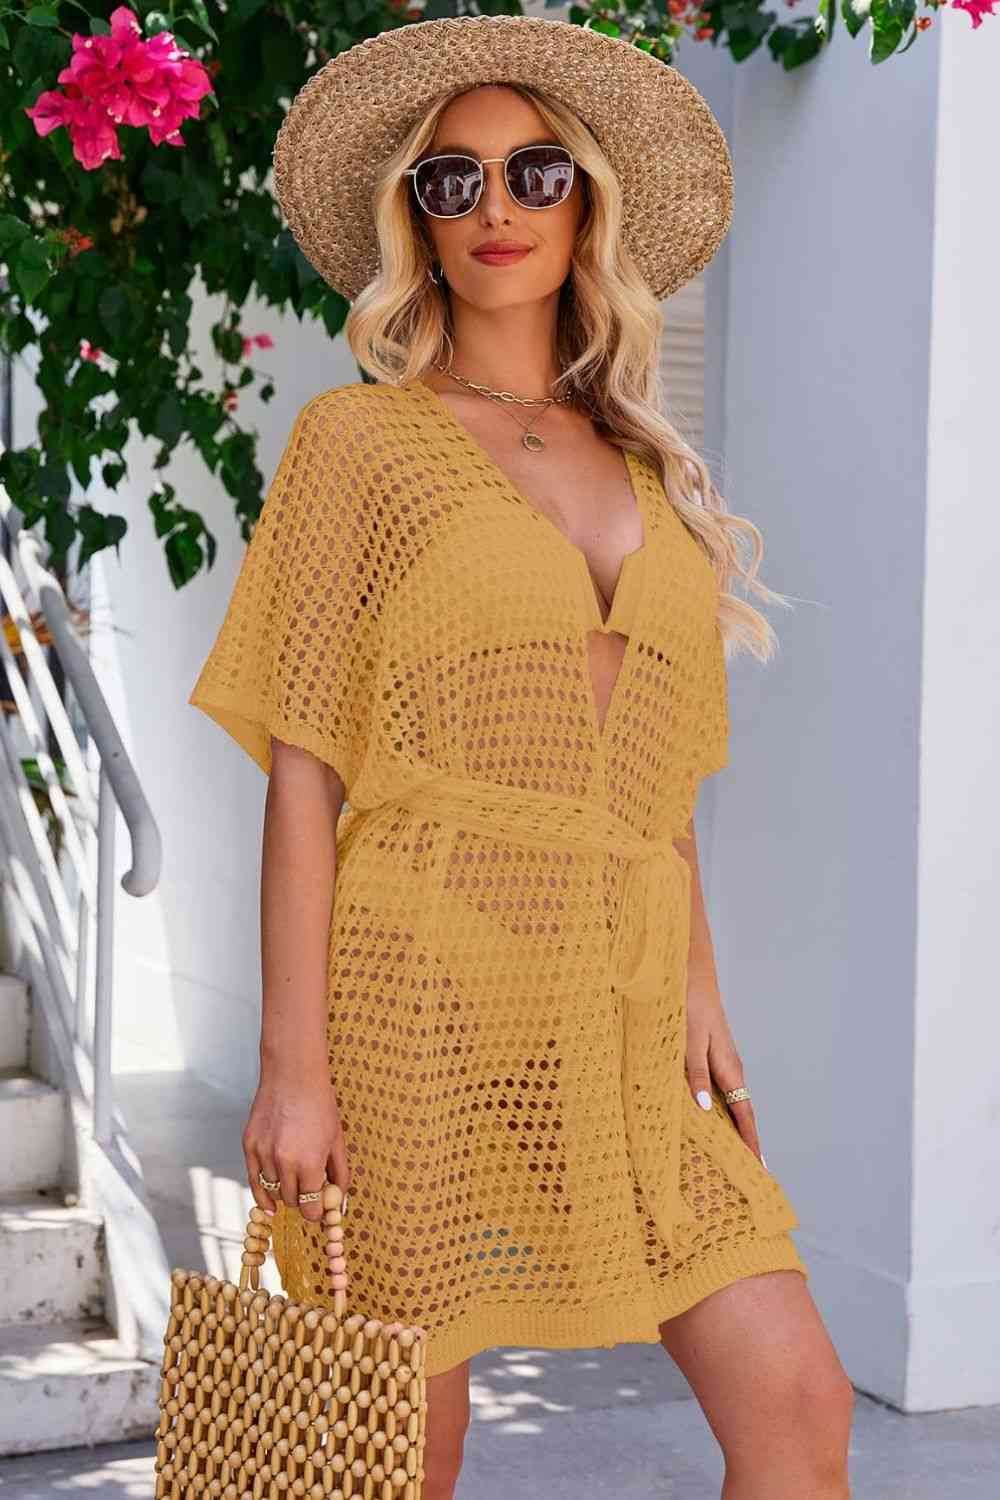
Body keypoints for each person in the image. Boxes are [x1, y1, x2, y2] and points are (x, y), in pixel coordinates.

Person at [189, 15, 853, 1499]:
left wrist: (702, 987)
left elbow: (662, 785)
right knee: (401, 1453)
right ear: (417, 227)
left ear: (586, 203)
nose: (497, 206)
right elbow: (304, 776)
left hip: (620, 1000)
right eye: (455, 180)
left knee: (799, 1402)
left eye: (536, 172)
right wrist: (293, 1069)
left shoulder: (649, 471)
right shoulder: (361, 446)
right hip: (414, 989)